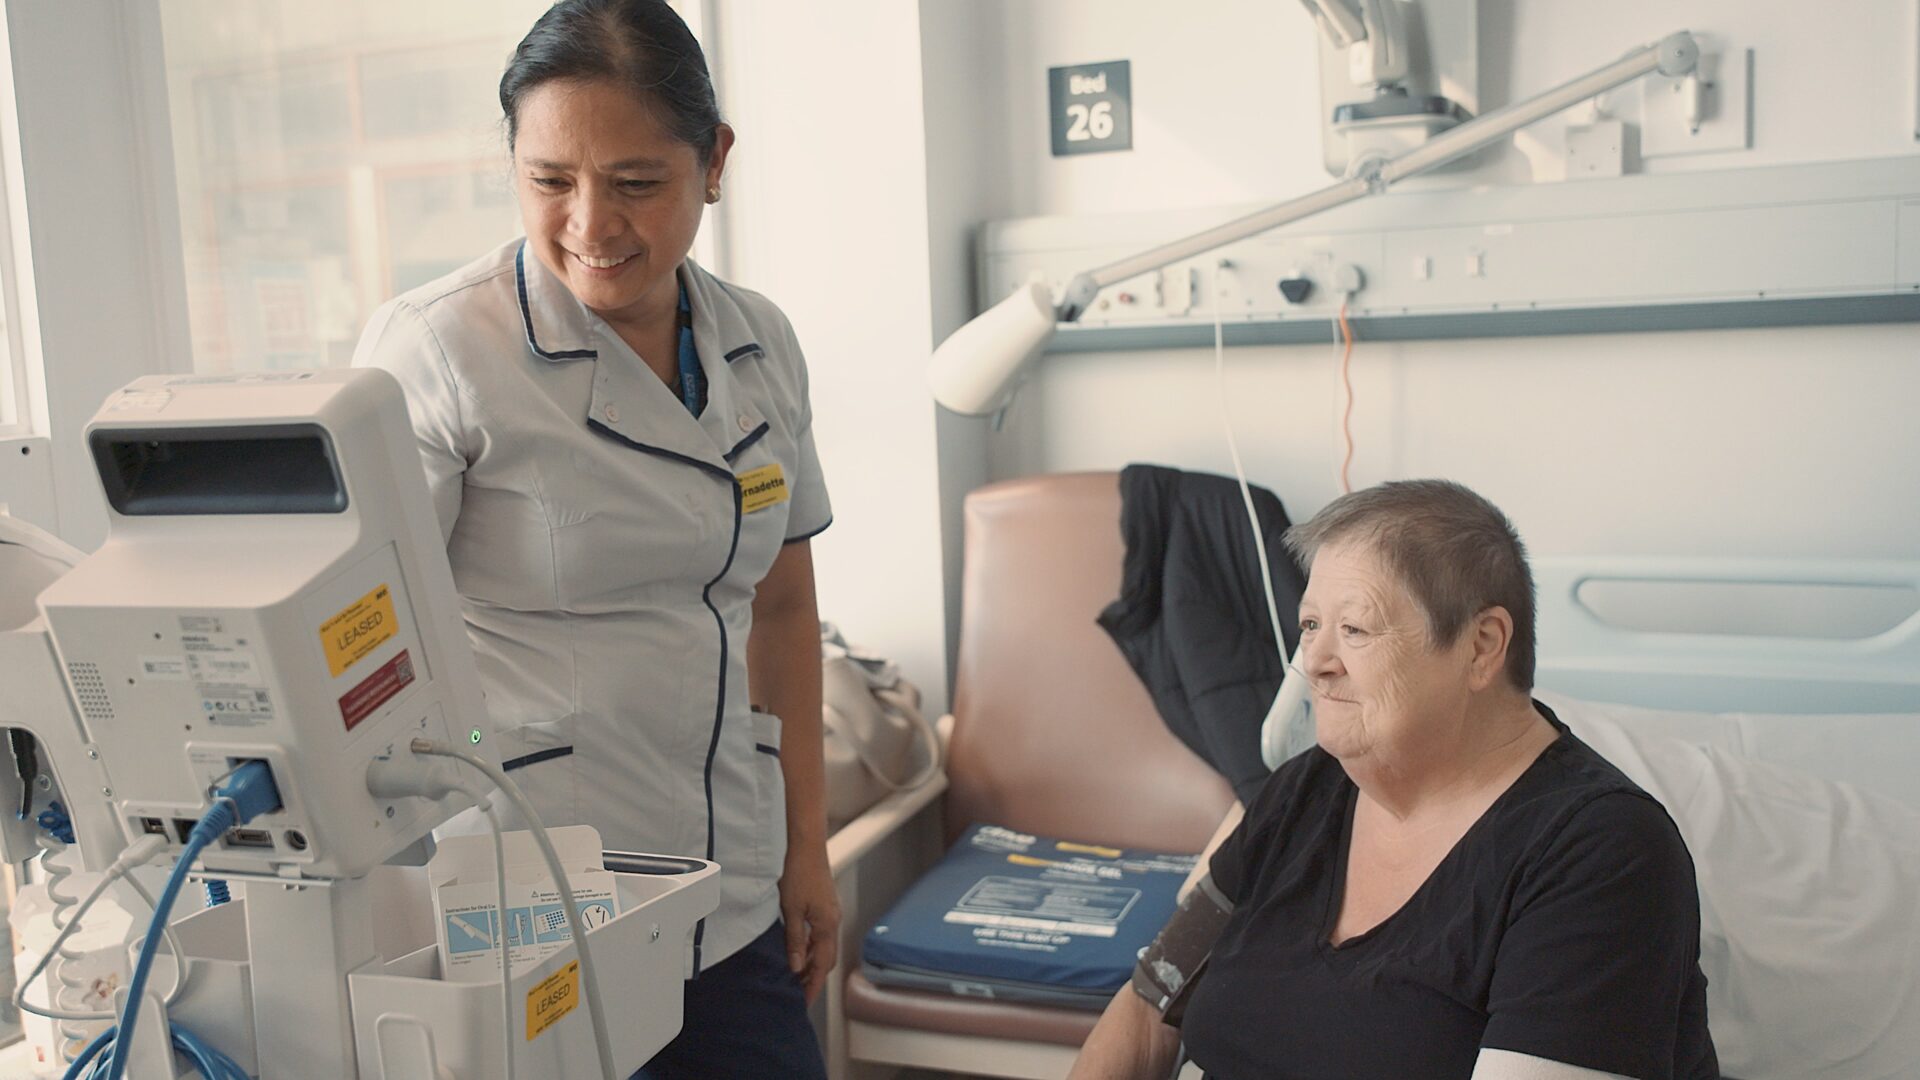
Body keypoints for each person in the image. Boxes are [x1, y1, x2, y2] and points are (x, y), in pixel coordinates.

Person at [351, 2, 835, 1075]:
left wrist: (809, 846)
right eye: (550, 181)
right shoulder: (437, 351)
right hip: (532, 902)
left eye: (634, 183)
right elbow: (365, 646)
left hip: (733, 887)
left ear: (713, 161)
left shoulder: (761, 345)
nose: (590, 225)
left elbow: (786, 610)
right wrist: (477, 771)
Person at [1070, 480, 1717, 1080]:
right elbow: (1146, 1009)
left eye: (1354, 629)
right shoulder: (1302, 794)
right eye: (1310, 627)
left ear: (1482, 645)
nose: (1315, 664)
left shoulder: (1603, 857)